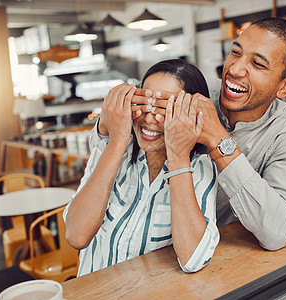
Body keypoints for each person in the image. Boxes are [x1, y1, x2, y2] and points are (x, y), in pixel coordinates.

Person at [132, 18, 286, 251]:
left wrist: (219, 140)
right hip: (145, 244)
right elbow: (127, 134)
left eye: (257, 64)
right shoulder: (195, 90)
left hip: (212, 256)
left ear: (285, 86)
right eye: (235, 53)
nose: (234, 69)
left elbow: (277, 233)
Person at [64, 59, 219, 276]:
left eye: (166, 109)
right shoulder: (115, 149)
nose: (150, 118)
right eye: (144, 104)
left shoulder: (201, 168)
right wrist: (118, 138)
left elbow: (193, 259)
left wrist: (177, 153)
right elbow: (76, 235)